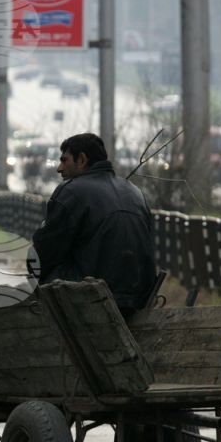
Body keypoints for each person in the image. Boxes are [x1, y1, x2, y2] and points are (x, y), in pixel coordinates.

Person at [32, 132, 156, 316]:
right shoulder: (135, 191)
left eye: (65, 160)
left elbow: (44, 253)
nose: (59, 168)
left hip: (93, 297)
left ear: (81, 159)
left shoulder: (72, 191)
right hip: (139, 298)